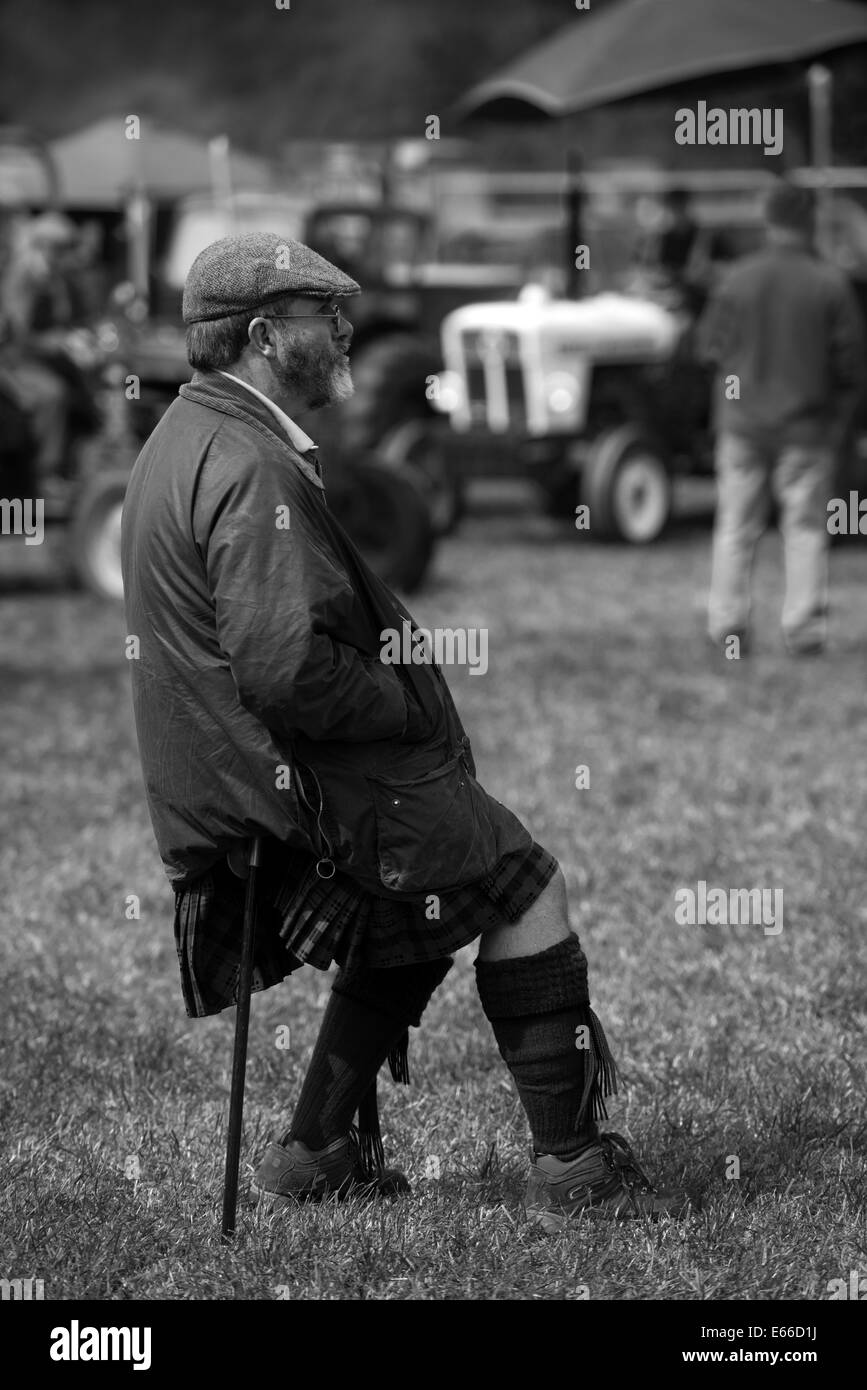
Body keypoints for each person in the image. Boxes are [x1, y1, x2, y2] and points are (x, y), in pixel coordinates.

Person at [121, 232, 687, 1230]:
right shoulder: (251, 466)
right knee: (525, 885)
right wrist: (401, 693)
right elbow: (285, 668)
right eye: (320, 313)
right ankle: (575, 1162)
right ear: (262, 335)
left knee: (424, 910)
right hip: (295, 794)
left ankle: (318, 1151)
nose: (343, 328)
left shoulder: (189, 434)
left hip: (246, 781)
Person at [698, 181, 866, 656]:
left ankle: (728, 627)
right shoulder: (829, 282)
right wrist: (838, 422)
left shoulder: (737, 278)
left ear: (767, 219)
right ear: (809, 220)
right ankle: (804, 630)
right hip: (807, 428)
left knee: (734, 524)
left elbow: (707, 348)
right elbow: (852, 365)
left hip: (742, 424)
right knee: (807, 528)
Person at [0, 212, 82, 491]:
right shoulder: (24, 277)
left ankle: (70, 465)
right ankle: (43, 474)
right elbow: (16, 335)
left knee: (81, 384)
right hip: (15, 363)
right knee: (52, 394)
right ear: (42, 246)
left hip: (41, 359)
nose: (63, 257)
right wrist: (53, 342)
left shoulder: (54, 278)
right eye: (58, 249)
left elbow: (64, 319)